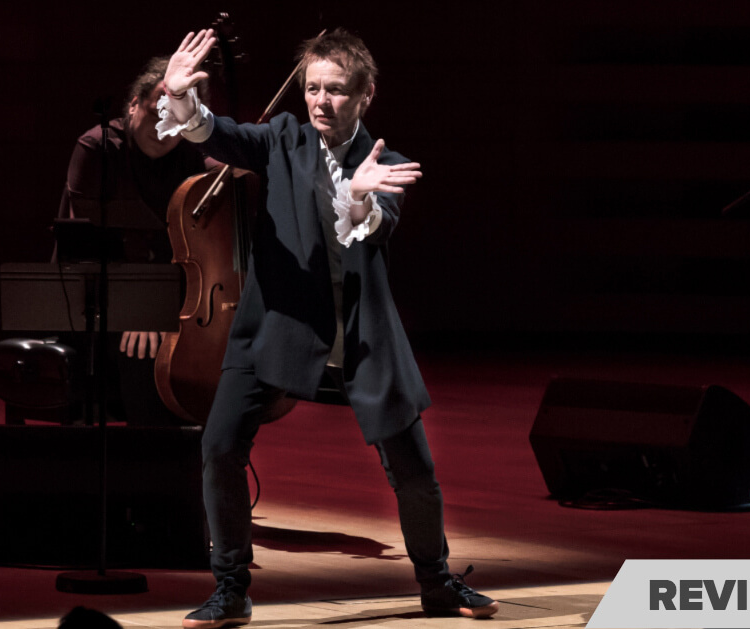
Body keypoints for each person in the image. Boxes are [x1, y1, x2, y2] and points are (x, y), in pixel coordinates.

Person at [156, 29, 500, 627]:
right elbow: (218, 134)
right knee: (219, 446)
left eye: (335, 90)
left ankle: (438, 582)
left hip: (361, 334)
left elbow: (377, 225)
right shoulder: (282, 138)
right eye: (312, 88)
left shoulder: (385, 163)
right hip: (278, 323)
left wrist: (360, 198)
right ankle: (230, 589)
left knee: (414, 471)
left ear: (365, 95)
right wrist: (183, 99)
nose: (320, 100)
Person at [57, 56, 210, 426]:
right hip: (94, 298)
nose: (165, 128)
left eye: (178, 119)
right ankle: (148, 454)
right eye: (157, 112)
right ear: (133, 105)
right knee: (144, 352)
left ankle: (190, 452)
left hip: (166, 301)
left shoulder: (192, 158)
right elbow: (88, 248)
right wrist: (140, 310)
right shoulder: (98, 149)